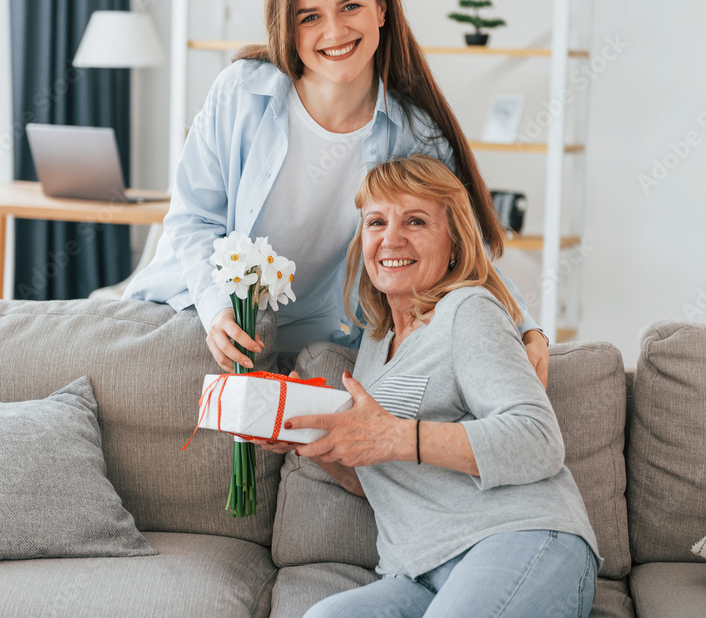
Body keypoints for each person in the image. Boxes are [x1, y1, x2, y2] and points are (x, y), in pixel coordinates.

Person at [124, 0, 549, 381]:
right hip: (199, 310)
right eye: (309, 17)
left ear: (381, 8)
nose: (334, 30)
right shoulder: (241, 92)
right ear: (288, 27)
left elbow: (461, 249)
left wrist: (526, 325)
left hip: (317, 342)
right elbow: (192, 219)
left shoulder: (415, 135)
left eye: (350, 6)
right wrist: (217, 308)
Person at [257, 155, 600, 617]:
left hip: (519, 537)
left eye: (415, 221)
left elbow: (538, 440)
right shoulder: (376, 341)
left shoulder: (467, 311)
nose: (390, 238)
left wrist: (395, 435)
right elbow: (385, 479)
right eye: (376, 221)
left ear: (455, 243)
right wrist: (310, 437)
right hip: (418, 571)